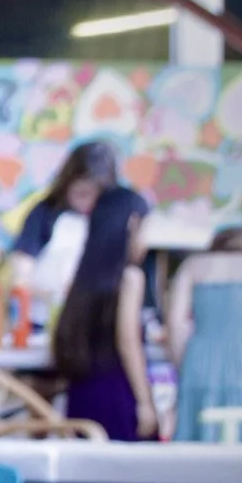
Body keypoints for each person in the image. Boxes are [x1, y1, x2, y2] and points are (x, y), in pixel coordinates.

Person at [52, 186, 156, 440]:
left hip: (82, 394)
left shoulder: (82, 279)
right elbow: (128, 341)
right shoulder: (130, 277)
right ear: (132, 223)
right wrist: (145, 402)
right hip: (119, 392)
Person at [169, 225, 242, 444]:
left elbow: (175, 325)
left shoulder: (193, 267)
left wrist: (183, 364)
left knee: (199, 442)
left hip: (200, 362)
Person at [9, 139, 120, 312]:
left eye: (97, 196)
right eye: (81, 194)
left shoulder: (112, 219)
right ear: (66, 184)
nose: (89, 202)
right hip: (43, 313)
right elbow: (22, 267)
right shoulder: (45, 212)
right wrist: (45, 291)